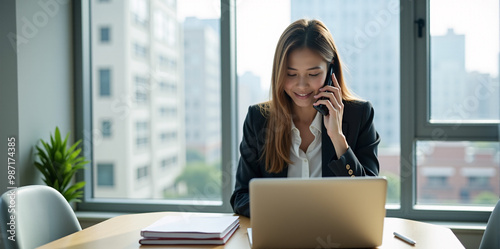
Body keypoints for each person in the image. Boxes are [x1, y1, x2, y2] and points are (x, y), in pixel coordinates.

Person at [230, 19, 380, 217]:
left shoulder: (359, 115)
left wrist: (337, 138)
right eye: (291, 74)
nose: (301, 86)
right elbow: (241, 196)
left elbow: (368, 200)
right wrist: (288, 212)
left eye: (313, 74)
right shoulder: (259, 119)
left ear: (330, 70)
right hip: (281, 237)